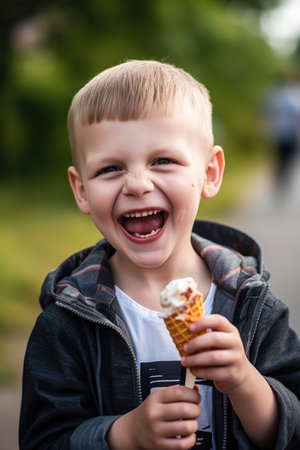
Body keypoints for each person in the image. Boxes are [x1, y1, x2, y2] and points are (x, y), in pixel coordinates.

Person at [19, 60, 300, 450]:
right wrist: (124, 435)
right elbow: (43, 439)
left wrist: (244, 381)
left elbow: (292, 427)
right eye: (111, 168)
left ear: (210, 172)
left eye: (162, 161)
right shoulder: (67, 322)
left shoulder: (254, 306)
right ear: (81, 189)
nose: (137, 184)